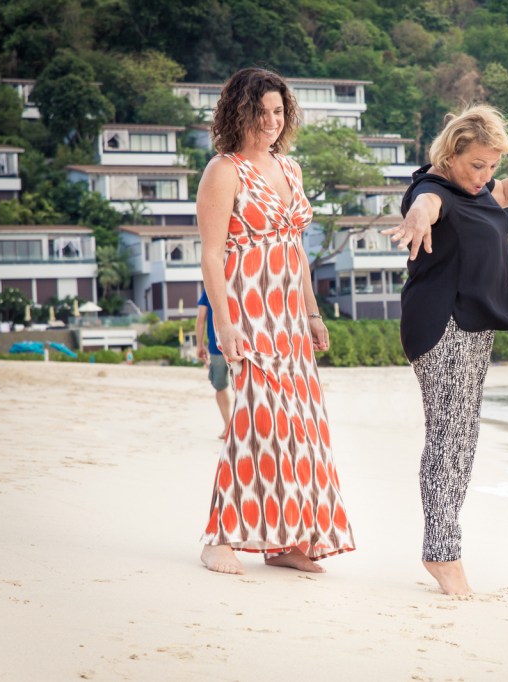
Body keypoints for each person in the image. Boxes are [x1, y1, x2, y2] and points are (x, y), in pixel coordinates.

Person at [383, 104, 508, 595]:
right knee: (448, 440)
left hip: (472, 326)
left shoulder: (474, 188)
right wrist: (415, 218)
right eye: (478, 164)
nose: (486, 175)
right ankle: (442, 553)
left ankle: (444, 547)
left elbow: (505, 193)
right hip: (442, 324)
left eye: (492, 165)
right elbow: (425, 206)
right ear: (451, 155)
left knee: (464, 438)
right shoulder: (435, 190)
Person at [196, 67, 355, 576]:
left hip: (289, 316)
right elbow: (212, 257)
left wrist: (311, 311)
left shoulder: (291, 170)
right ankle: (220, 536)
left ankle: (286, 540)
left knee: (299, 428)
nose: (269, 121)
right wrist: (224, 322)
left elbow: (297, 250)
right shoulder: (224, 170)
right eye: (260, 111)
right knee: (254, 422)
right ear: (239, 112)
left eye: (277, 112)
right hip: (250, 312)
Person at [195, 288, 234, 439]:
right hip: (242, 345)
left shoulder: (211, 286)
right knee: (243, 386)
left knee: (220, 386)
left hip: (217, 346)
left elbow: (201, 317)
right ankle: (241, 426)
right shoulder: (238, 282)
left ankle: (228, 426)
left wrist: (199, 344)